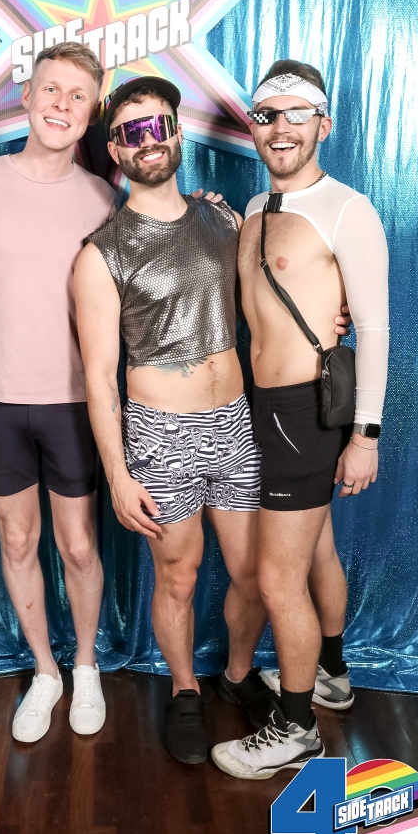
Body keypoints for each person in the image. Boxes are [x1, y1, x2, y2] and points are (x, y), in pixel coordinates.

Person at [73, 76, 272, 765]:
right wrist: (117, 475)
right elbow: (98, 377)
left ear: (178, 133)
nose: (148, 141)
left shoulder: (223, 221)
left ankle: (238, 675)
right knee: (178, 577)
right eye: (131, 133)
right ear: (114, 150)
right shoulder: (99, 253)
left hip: (235, 424)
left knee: (255, 573)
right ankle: (185, 690)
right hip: (160, 436)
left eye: (158, 125)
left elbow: (271, 300)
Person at [211, 61, 389, 779]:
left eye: (296, 114)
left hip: (304, 413)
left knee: (277, 578)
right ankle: (332, 675)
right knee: (314, 553)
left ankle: (295, 729)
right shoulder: (256, 206)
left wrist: (365, 436)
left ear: (323, 124)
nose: (279, 128)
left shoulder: (348, 208)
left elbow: (372, 328)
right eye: (266, 115)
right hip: (262, 407)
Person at [0, 42, 115, 742]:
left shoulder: (104, 198)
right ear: (26, 95)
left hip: (74, 401)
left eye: (78, 96)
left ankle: (85, 666)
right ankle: (45, 671)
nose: (61, 104)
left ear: (91, 113)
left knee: (78, 545)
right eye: (51, 89)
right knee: (17, 540)